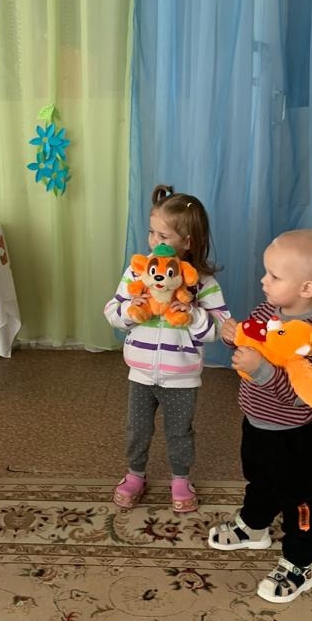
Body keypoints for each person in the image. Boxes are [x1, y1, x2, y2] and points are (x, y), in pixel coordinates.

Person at [208, 229, 312, 603]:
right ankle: (255, 525)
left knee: (303, 501)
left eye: (274, 276)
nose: (263, 281)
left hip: (299, 438)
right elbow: (251, 341)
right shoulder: (268, 311)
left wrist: (261, 369)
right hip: (258, 424)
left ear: (306, 288)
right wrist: (234, 337)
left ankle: (299, 562)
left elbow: (301, 396)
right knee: (260, 479)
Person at [104, 184, 228, 514]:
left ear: (188, 242)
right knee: (137, 429)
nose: (154, 242)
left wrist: (194, 315)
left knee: (180, 432)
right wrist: (130, 310)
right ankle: (135, 474)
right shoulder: (138, 273)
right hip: (141, 373)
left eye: (163, 236)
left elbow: (221, 327)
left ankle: (181, 479)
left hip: (182, 376)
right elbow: (111, 311)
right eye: (151, 233)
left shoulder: (203, 282)